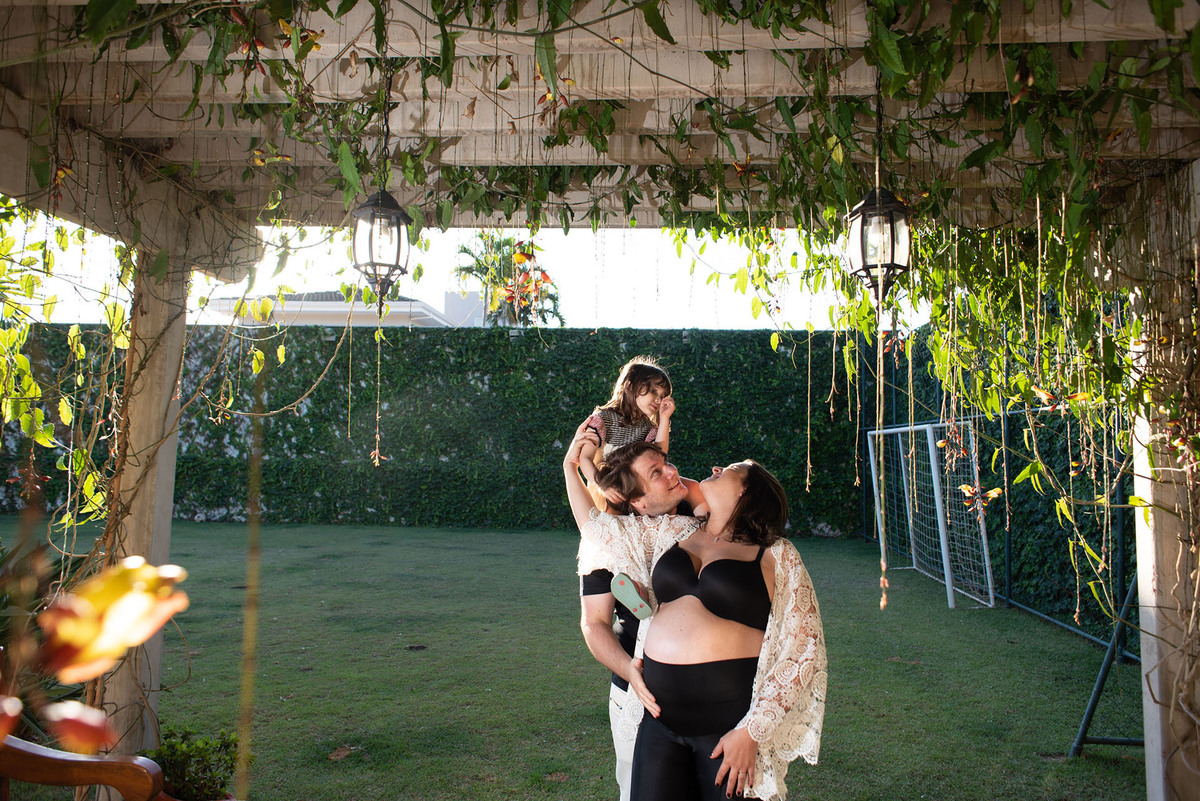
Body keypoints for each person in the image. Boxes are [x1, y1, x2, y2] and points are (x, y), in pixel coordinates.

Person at [564, 424, 826, 801]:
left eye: (730, 470)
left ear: (747, 492)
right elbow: (598, 529)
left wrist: (751, 731)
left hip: (728, 729)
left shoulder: (776, 554)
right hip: (658, 722)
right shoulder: (674, 532)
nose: (717, 468)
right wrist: (574, 467)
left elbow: (804, 648)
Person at [578, 440, 699, 801]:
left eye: (667, 463)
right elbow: (595, 623)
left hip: (707, 691)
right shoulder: (608, 539)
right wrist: (630, 672)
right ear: (637, 501)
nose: (672, 472)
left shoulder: (705, 519)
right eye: (656, 473)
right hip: (638, 691)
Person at [578, 358, 708, 518]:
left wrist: (664, 418)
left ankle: (707, 527)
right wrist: (603, 486)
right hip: (609, 486)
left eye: (663, 396)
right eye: (653, 391)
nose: (659, 400)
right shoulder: (603, 420)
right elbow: (584, 458)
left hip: (639, 485)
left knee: (692, 487)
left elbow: (658, 455)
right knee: (616, 509)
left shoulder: (649, 428)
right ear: (629, 387)